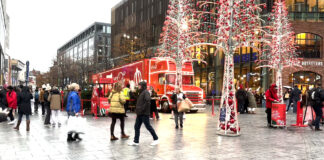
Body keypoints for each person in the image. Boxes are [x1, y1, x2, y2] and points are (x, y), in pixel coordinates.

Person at [128, 81, 159, 146]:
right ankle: (136, 141)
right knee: (136, 126)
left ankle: (156, 139)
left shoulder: (146, 92)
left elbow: (148, 102)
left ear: (142, 86)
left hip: (144, 113)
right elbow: (139, 100)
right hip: (140, 113)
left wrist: (142, 109)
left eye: (139, 85)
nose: (138, 87)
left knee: (148, 126)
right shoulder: (141, 92)